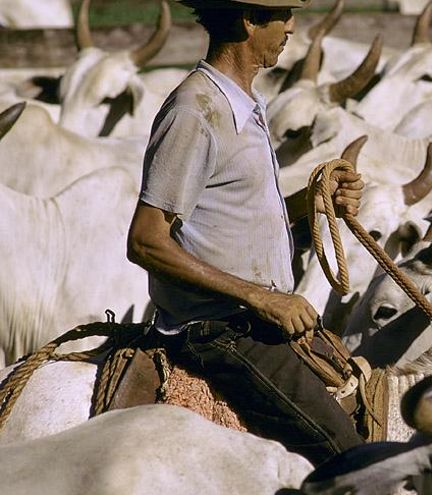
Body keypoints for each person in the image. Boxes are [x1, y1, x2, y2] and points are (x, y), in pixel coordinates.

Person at [126, 0, 365, 465]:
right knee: (352, 458)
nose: (292, 26)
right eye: (282, 14)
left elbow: (231, 214)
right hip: (224, 328)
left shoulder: (240, 103)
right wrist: (262, 298)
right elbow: (146, 239)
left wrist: (313, 202)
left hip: (256, 319)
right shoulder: (194, 110)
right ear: (248, 20)